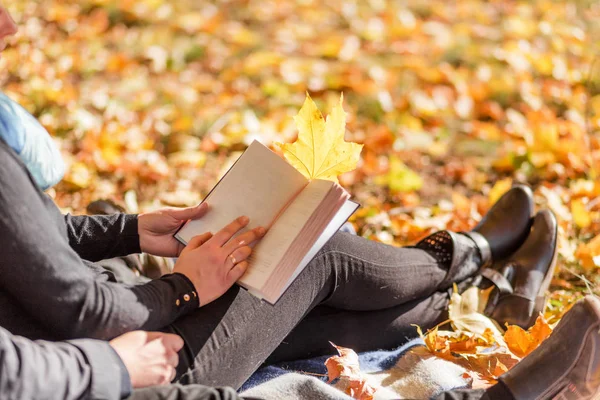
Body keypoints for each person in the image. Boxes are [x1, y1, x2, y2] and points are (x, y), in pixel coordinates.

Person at [0, 4, 598, 400]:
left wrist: (131, 230)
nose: (11, 27)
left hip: (95, 335)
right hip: (122, 365)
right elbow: (66, 325)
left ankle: (486, 303)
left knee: (290, 293)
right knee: (313, 257)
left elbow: (27, 242)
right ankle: (465, 262)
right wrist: (178, 292)